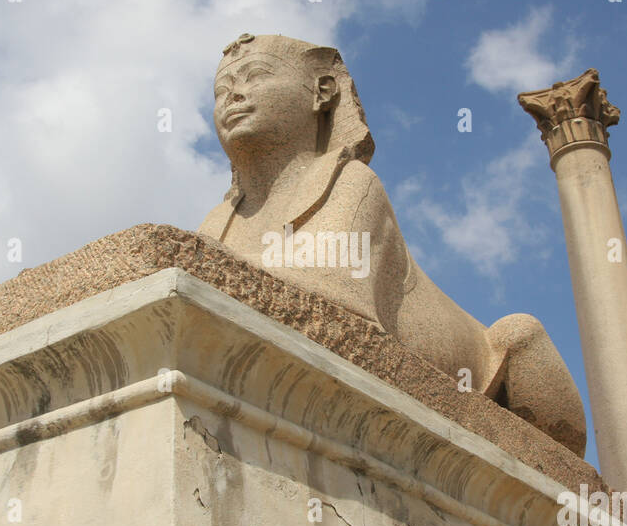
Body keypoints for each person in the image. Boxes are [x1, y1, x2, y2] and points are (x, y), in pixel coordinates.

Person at [199, 33, 587, 457]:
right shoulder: (220, 222)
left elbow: (335, 300)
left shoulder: (352, 185)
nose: (233, 96)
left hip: (481, 373)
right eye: (221, 90)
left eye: (256, 76)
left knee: (520, 330)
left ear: (322, 93)